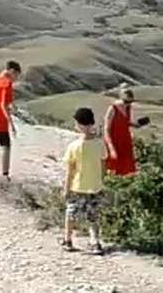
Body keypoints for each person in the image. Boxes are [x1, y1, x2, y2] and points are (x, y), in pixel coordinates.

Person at [62, 106, 107, 255]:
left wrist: (66, 189)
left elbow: (70, 171)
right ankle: (95, 242)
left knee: (71, 213)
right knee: (93, 215)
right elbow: (103, 165)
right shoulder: (100, 144)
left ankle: (68, 240)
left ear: (79, 124)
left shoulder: (73, 146)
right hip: (95, 185)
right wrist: (101, 181)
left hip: (78, 186)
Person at [104, 86, 148, 177]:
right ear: (121, 98)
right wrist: (111, 147)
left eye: (130, 101)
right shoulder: (112, 109)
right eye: (126, 101)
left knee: (126, 169)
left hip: (125, 140)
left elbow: (126, 122)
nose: (128, 104)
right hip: (114, 141)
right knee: (112, 167)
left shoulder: (128, 108)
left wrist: (136, 125)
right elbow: (106, 129)